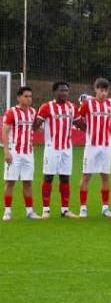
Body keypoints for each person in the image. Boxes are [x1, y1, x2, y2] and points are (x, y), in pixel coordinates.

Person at [35, 81, 78, 218]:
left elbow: (81, 124)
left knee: (65, 178)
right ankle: (46, 210)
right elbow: (35, 126)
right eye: (61, 90)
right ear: (55, 92)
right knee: (48, 177)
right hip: (52, 148)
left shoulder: (72, 107)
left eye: (66, 90)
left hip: (67, 148)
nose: (64, 93)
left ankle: (65, 210)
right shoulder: (46, 107)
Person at [76, 78, 111, 218]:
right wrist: (86, 129)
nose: (104, 93)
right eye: (101, 90)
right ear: (96, 90)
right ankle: (83, 208)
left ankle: (105, 208)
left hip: (106, 145)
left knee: (105, 176)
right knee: (86, 175)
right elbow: (77, 118)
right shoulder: (88, 104)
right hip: (91, 146)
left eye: (106, 91)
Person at [3, 86, 40, 221]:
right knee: (10, 182)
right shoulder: (11, 112)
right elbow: (5, 131)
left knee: (28, 182)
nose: (29, 99)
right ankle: (7, 211)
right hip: (14, 152)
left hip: (28, 152)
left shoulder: (33, 112)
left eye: (30, 96)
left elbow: (35, 128)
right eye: (26, 96)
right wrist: (6, 151)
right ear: (19, 98)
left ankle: (29, 211)